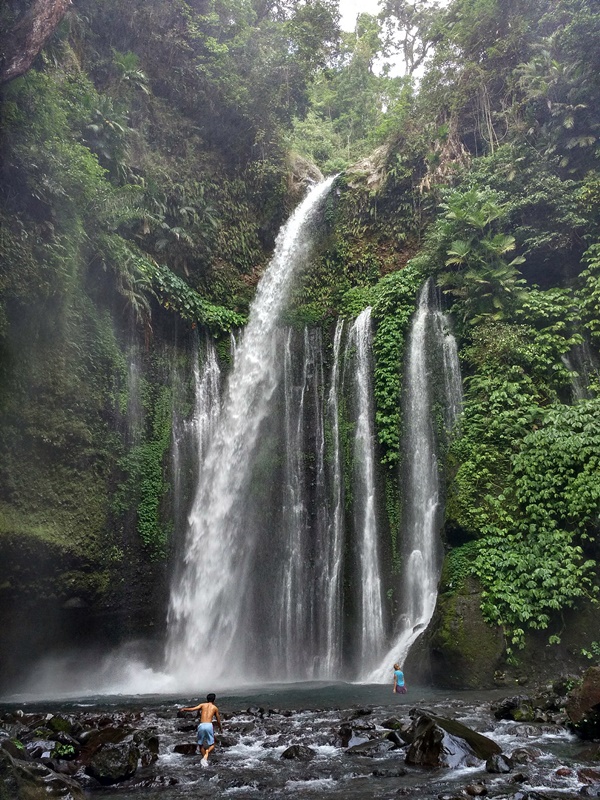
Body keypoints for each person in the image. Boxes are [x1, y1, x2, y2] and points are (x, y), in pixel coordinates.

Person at [180, 693, 223, 766]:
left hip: (201, 725)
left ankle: (204, 759)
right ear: (214, 699)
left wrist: (184, 709)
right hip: (209, 725)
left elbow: (193, 709)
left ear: (207, 699)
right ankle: (206, 754)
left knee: (200, 744)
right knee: (212, 744)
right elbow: (218, 720)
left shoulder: (202, 705)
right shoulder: (215, 708)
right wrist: (220, 728)